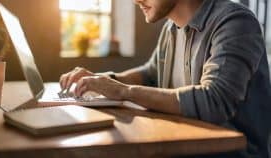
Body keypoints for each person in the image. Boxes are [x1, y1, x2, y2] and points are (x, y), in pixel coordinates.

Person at [60, 0, 271, 157]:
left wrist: (123, 91)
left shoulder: (235, 22)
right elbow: (151, 74)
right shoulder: (171, 29)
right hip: (183, 147)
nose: (136, 0)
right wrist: (103, 81)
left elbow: (214, 100)